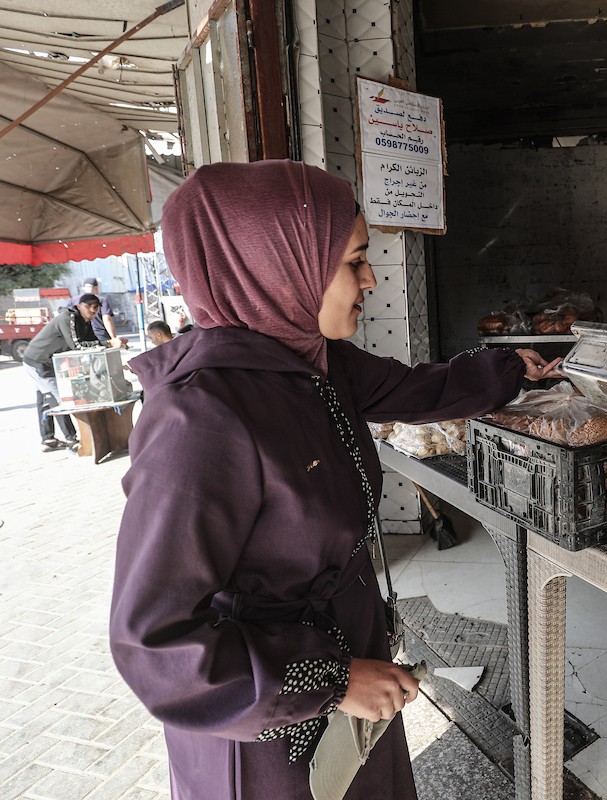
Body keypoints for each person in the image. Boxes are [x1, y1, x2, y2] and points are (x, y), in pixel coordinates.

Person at [109, 159, 561, 800]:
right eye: (353, 262)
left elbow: (415, 388)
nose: (371, 279)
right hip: (271, 724)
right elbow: (155, 648)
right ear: (274, 265)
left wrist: (511, 368)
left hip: (351, 683)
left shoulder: (313, 363)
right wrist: (332, 680)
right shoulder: (200, 419)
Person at [23, 293, 127, 451]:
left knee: (45, 401)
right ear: (79, 306)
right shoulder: (69, 317)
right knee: (60, 401)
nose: (92, 310)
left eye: (96, 307)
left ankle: (48, 439)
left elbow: (93, 343)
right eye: (88, 306)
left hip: (50, 364)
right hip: (38, 362)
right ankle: (72, 440)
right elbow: (77, 345)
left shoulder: (86, 321)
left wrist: (112, 345)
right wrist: (108, 343)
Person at [74, 278, 119, 345]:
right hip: (100, 335)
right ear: (97, 288)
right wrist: (113, 338)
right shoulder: (101, 300)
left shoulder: (74, 300)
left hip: (82, 335)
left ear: (83, 288)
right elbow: (107, 319)